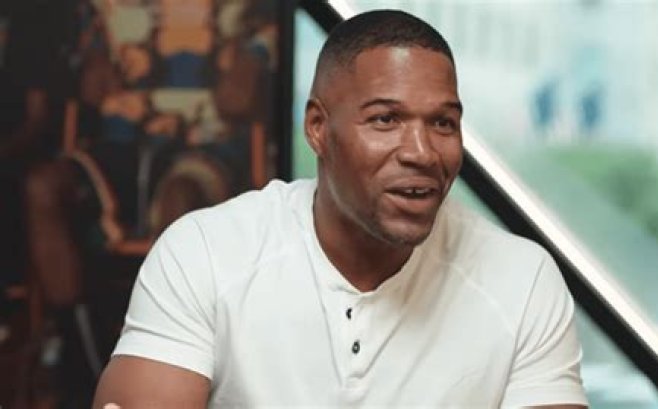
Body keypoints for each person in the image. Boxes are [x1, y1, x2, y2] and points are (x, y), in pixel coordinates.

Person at [93, 10, 588, 408]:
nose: (422, 152)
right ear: (317, 128)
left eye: (442, 123)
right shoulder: (205, 253)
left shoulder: (521, 281)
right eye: (386, 119)